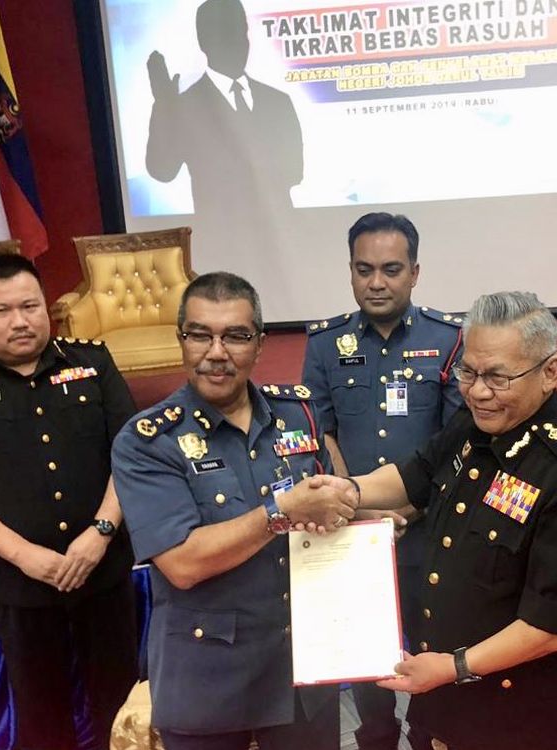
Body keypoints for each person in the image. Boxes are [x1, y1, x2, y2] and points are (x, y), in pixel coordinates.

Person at [322, 291, 557, 750]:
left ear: (550, 373)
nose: (479, 391)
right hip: (446, 702)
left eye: (498, 377)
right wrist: (346, 491)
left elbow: (552, 628)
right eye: (469, 371)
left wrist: (452, 667)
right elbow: (416, 473)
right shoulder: (479, 422)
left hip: (525, 719)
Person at [111, 272, 358, 750]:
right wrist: (280, 510)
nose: (217, 351)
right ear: (181, 340)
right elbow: (182, 564)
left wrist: (358, 520)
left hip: (301, 673)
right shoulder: (147, 440)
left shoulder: (298, 413)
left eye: (236, 336)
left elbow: (327, 513)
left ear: (260, 344)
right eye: (200, 334)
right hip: (209, 684)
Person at [0, 253, 138, 750]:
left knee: (120, 702)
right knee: (41, 714)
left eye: (30, 305)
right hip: (18, 582)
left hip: (102, 568)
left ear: (48, 307)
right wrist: (26, 557)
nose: (20, 321)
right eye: (1, 311)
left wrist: (101, 532)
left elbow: (132, 455)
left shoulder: (93, 363)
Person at [301, 212, 463, 750]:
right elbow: (318, 433)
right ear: (350, 271)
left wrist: (409, 508)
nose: (376, 282)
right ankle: (376, 735)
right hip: (355, 531)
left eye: (391, 269)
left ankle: (425, 732)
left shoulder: (448, 340)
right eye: (364, 269)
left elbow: (458, 440)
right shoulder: (326, 344)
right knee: (365, 646)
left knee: (428, 644)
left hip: (428, 527)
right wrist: (356, 507)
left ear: (414, 273)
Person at [145, 0, 303, 230]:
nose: (239, 43)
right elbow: (162, 171)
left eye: (242, 33)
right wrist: (163, 106)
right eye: (226, 34)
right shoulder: (183, 106)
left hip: (281, 242)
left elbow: (295, 171)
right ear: (204, 42)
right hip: (218, 243)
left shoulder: (278, 101)